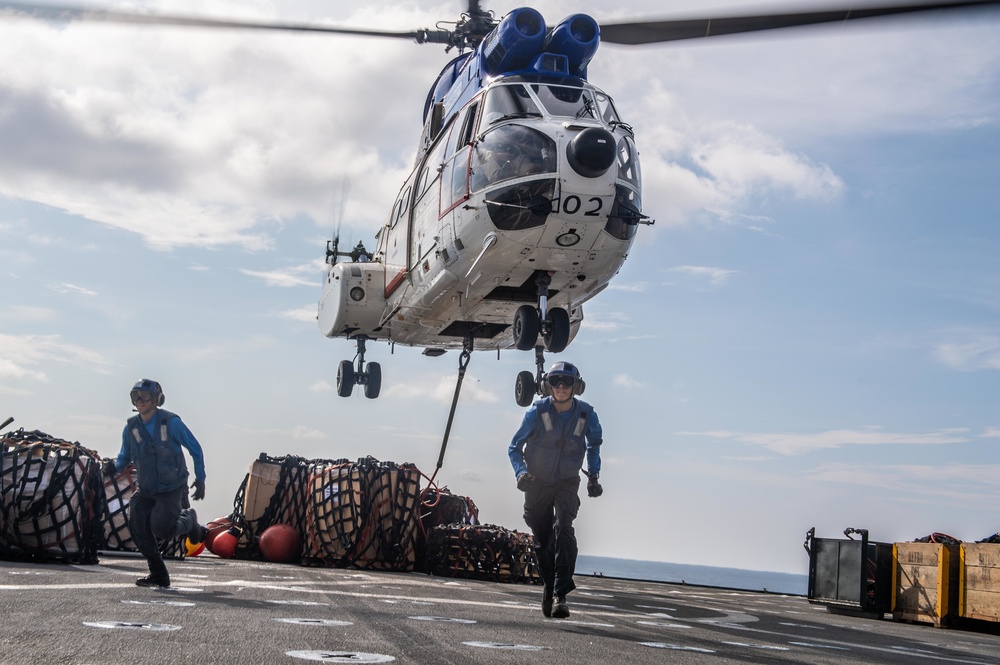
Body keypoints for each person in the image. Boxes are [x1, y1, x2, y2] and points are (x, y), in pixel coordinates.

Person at [508, 361, 603, 619]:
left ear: (576, 387)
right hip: (536, 483)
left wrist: (593, 476)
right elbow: (514, 448)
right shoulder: (536, 413)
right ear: (547, 385)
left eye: (567, 382)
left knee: (563, 528)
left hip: (566, 483)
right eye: (556, 381)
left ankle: (561, 594)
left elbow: (594, 443)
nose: (561, 387)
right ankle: (549, 586)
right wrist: (521, 474)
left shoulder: (586, 415)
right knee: (543, 541)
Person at [106, 379, 208, 588]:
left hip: (171, 487)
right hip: (146, 488)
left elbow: (195, 448)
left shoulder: (172, 423)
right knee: (138, 527)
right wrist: (113, 468)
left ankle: (188, 519)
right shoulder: (132, 428)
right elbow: (124, 457)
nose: (139, 400)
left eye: (144, 396)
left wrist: (200, 478)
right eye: (135, 396)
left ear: (157, 399)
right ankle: (158, 574)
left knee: (163, 530)